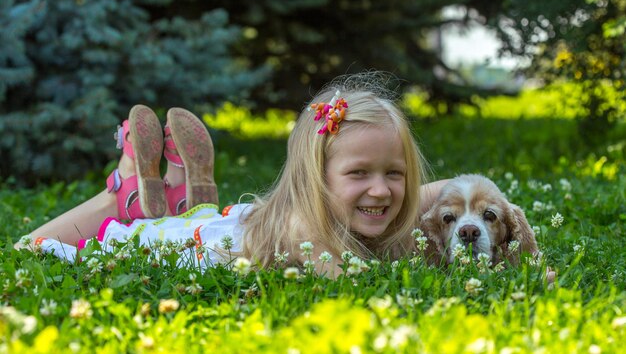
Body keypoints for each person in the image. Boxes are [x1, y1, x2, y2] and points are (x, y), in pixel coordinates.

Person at [16, 73, 448, 277]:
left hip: (223, 224)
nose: (380, 189)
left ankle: (174, 193)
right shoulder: (305, 228)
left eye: (396, 173)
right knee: (30, 250)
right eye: (359, 173)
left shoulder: (370, 209)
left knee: (190, 218)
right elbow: (352, 286)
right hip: (179, 247)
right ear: (313, 178)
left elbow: (449, 188)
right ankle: (122, 193)